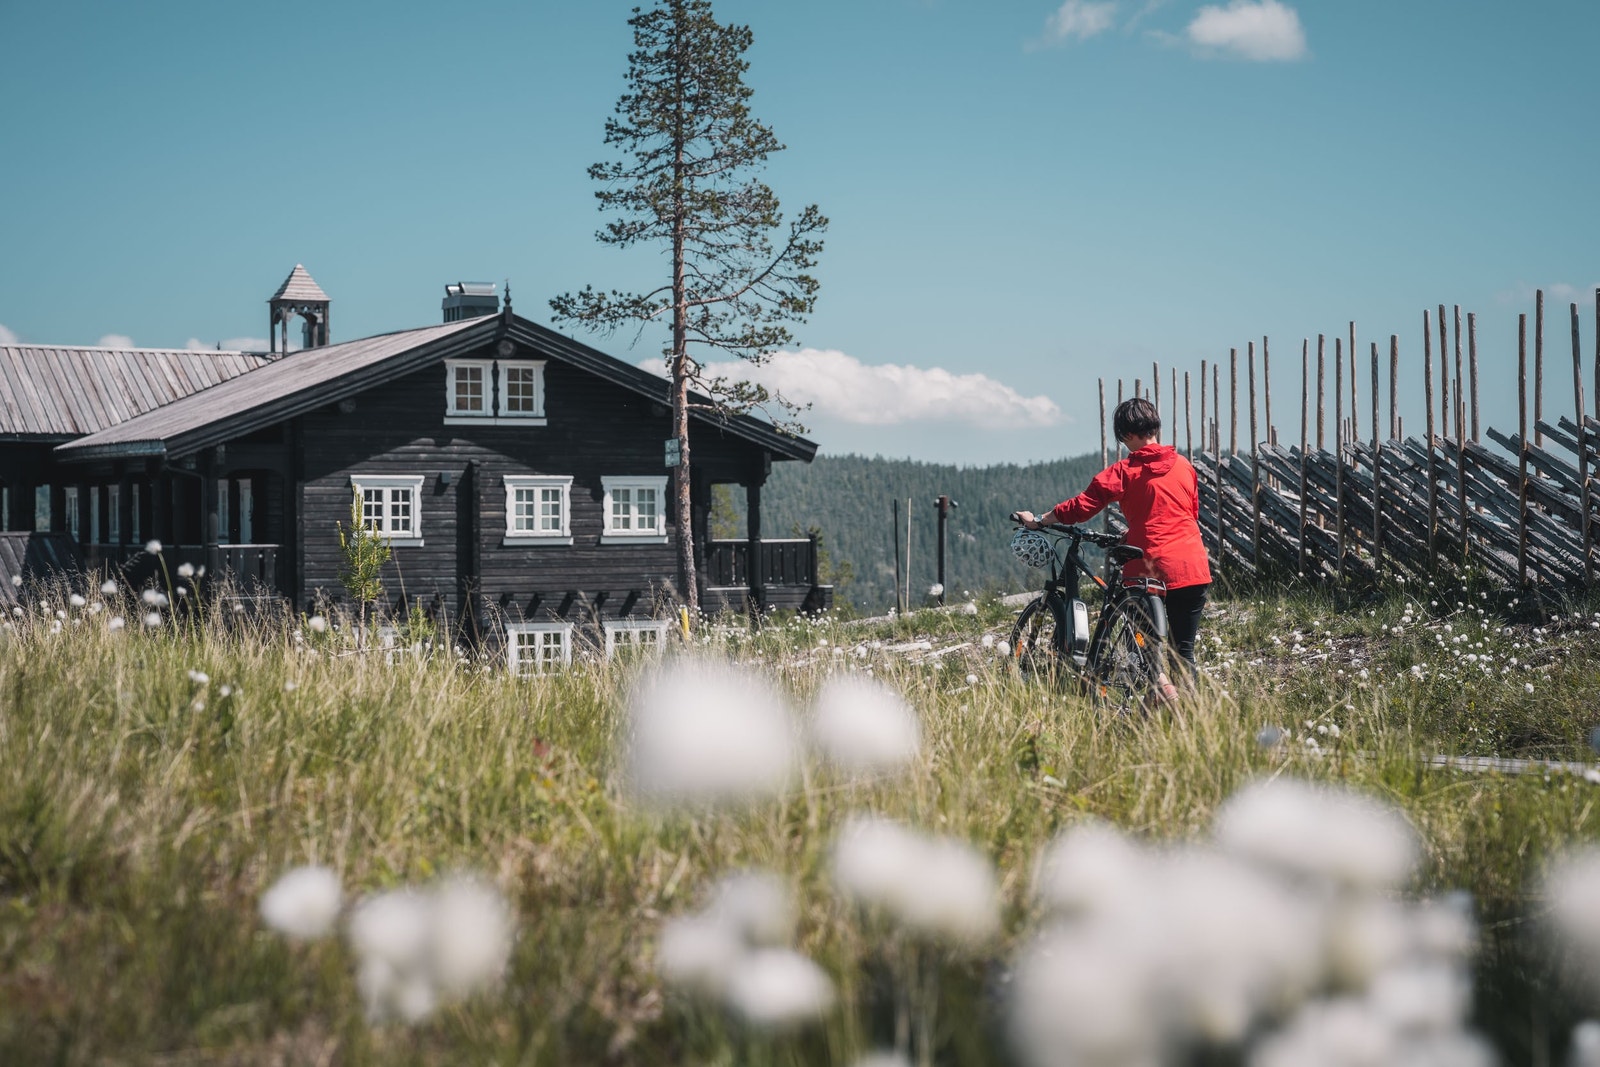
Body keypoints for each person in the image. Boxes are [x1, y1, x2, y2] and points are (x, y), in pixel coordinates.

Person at [1015, 397, 1212, 696]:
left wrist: (1040, 519)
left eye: (1123, 439)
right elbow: (1186, 514)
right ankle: (1190, 720)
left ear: (1128, 435)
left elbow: (1082, 506)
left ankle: (1166, 693)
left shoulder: (1126, 470)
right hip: (1193, 567)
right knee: (1183, 653)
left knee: (1146, 651)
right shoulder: (1185, 466)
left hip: (1150, 568)